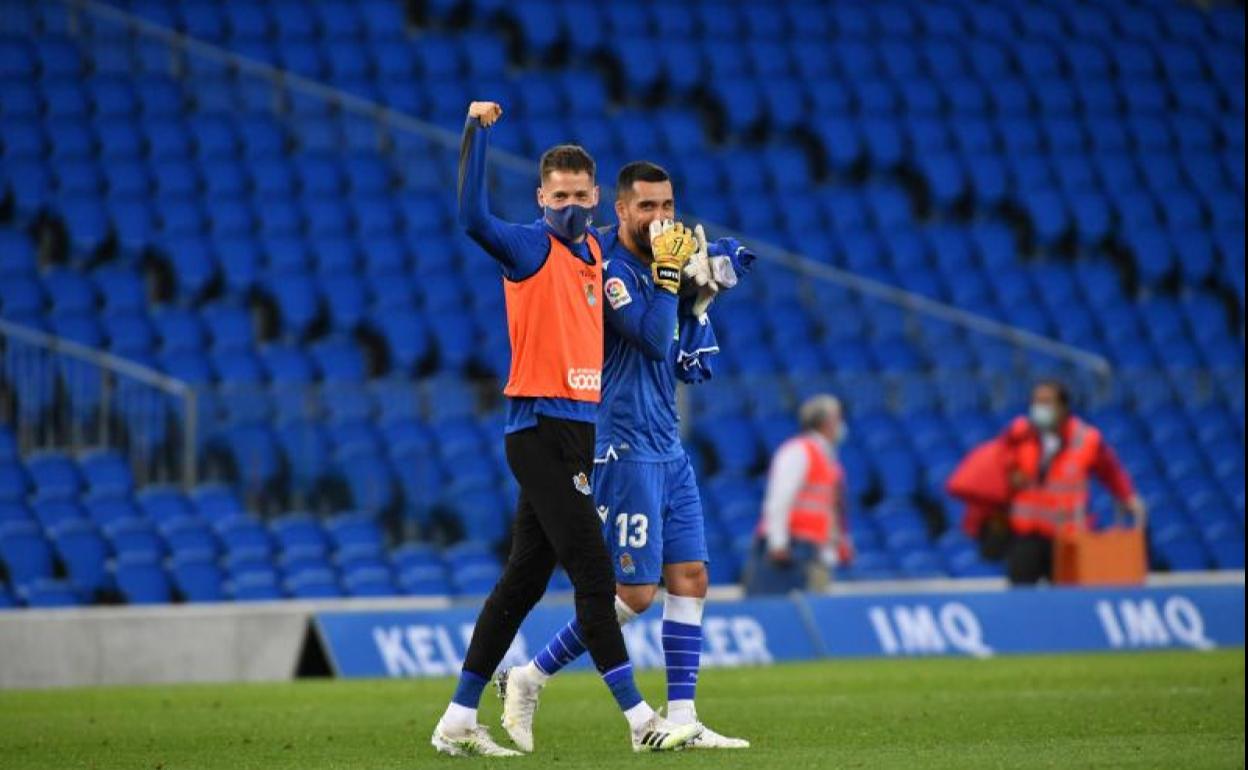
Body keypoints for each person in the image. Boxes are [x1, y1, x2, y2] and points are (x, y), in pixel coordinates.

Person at [431, 103, 702, 757]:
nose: (572, 205)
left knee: (523, 580)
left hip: (577, 431)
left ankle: (458, 717)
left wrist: (695, 267)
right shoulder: (530, 245)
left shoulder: (592, 251)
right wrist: (475, 133)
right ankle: (641, 720)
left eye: (582, 195)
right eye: (561, 196)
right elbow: (470, 218)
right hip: (538, 427)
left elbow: (650, 322)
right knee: (593, 573)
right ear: (541, 197)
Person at [495, 162, 752, 752]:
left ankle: (682, 715)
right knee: (634, 593)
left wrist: (706, 276)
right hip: (622, 440)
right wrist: (670, 276)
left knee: (691, 575)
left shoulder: (665, 255)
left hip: (666, 439)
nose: (660, 218)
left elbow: (684, 308)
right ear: (620, 209)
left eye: (667, 206)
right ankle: (529, 678)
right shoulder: (606, 264)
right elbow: (653, 338)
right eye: (647, 208)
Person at [949, 380, 1146, 585]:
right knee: (1021, 599)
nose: (1039, 408)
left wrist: (1127, 496)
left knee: (1067, 602)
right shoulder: (1019, 434)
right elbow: (996, 463)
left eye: (1046, 402)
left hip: (1067, 538)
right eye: (1036, 402)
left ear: (1063, 407)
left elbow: (1110, 471)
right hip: (1025, 534)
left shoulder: (1087, 440)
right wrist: (1009, 476)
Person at [745, 394, 853, 595]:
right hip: (789, 550)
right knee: (775, 609)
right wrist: (778, 541)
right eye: (838, 418)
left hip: (810, 549)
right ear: (826, 422)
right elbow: (780, 498)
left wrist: (833, 547)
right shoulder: (799, 451)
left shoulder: (827, 458)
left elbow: (829, 509)